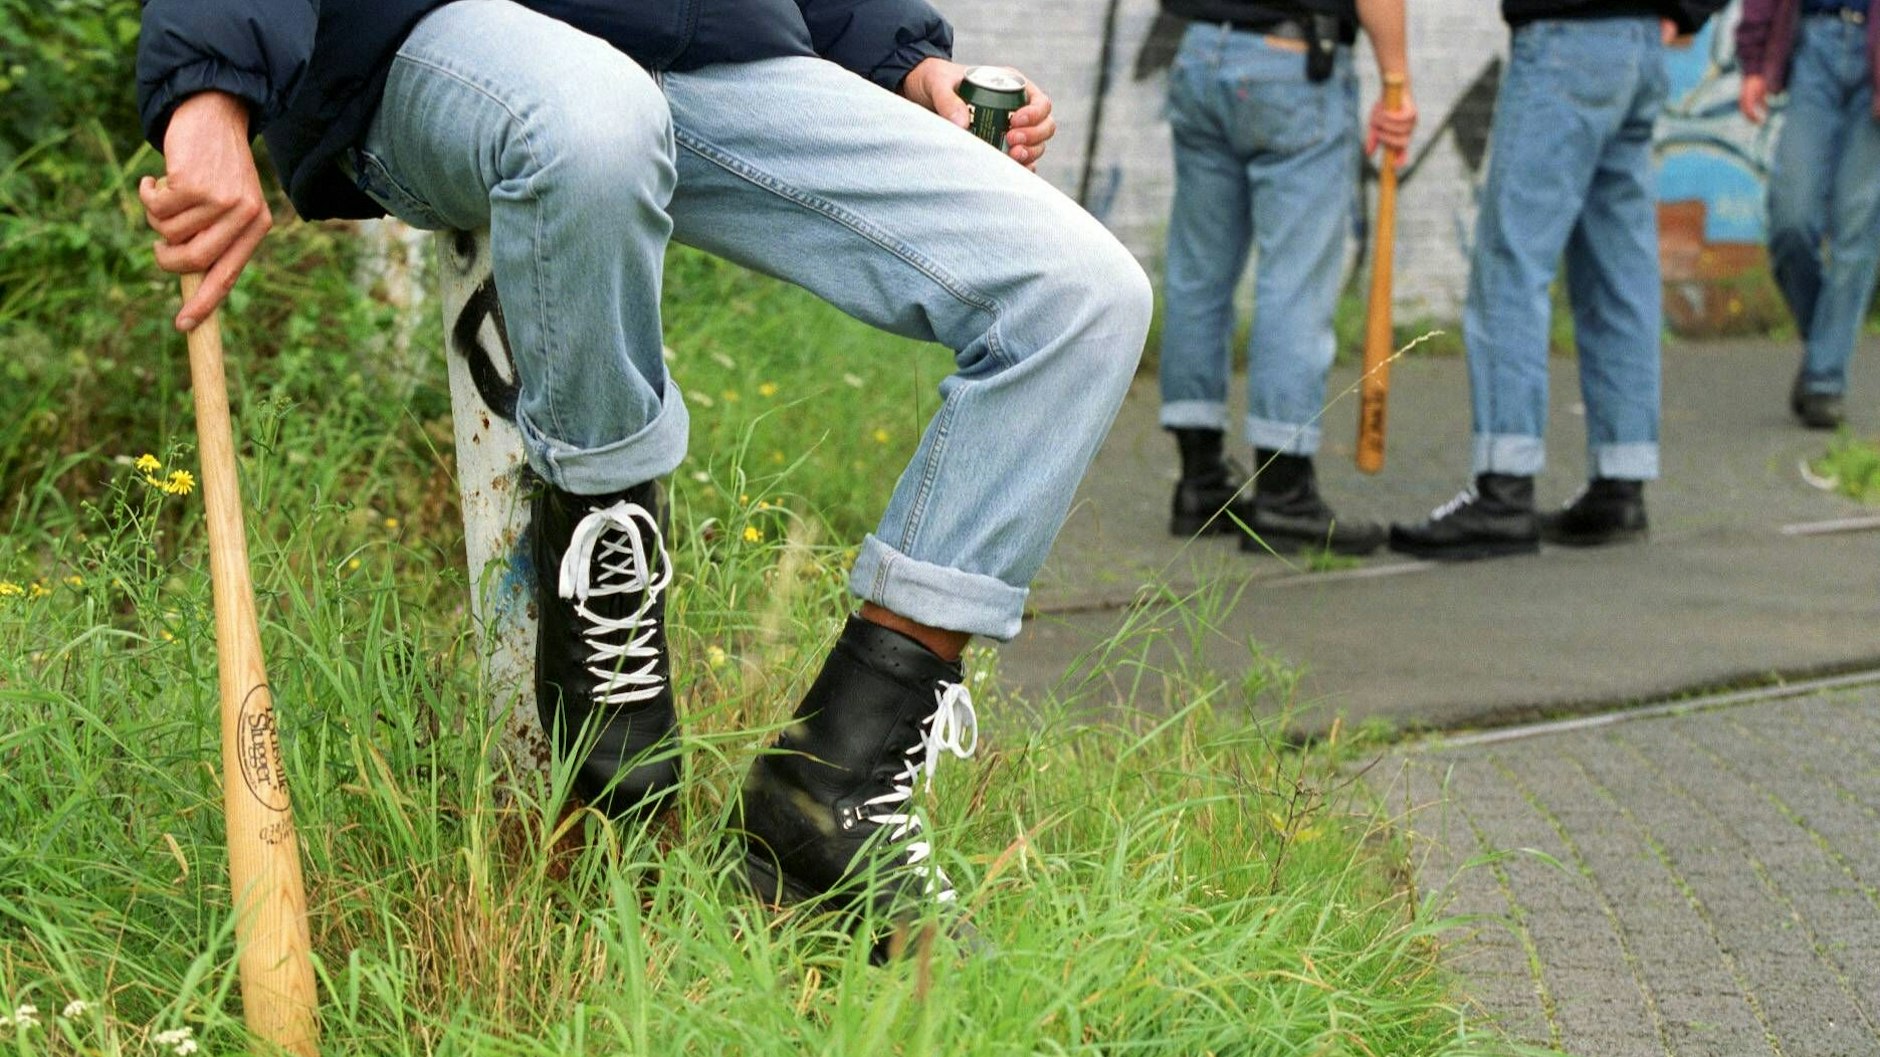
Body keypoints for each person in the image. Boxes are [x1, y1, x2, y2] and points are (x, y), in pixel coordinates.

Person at [137, 0, 1151, 944]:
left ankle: (829, 794)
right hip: (442, 51)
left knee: (1079, 290)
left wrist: (904, 56)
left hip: (712, 47)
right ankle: (608, 652)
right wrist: (210, 85)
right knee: (592, 121)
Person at [1389, 0, 1724, 560]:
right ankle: (1620, 485)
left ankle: (1504, 490)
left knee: (1511, 264)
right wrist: (1685, 9)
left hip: (1564, 39)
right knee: (1620, 275)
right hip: (1637, 44)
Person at [1156, 0, 1416, 556]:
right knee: (1295, 286)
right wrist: (1397, 78)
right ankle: (1284, 494)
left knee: (1198, 277)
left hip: (1201, 51)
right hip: (1294, 62)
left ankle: (1199, 481)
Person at [1738, 0, 1880, 430]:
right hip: (1813, 45)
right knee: (1791, 222)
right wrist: (1754, 61)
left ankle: (1824, 380)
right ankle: (1825, 346)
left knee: (1857, 227)